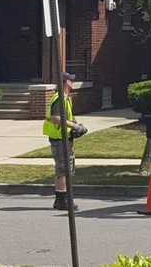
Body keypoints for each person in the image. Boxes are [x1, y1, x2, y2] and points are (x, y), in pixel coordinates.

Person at [43, 73, 87, 210]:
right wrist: (74, 126)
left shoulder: (64, 98)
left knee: (62, 169)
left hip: (62, 138)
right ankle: (63, 201)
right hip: (60, 139)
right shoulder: (60, 98)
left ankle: (60, 200)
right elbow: (56, 118)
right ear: (66, 82)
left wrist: (75, 123)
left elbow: (63, 118)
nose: (73, 82)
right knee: (64, 170)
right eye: (71, 80)